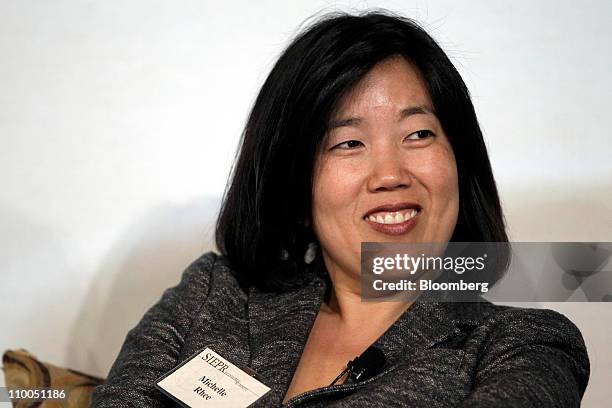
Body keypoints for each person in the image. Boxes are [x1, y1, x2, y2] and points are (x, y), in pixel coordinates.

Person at [91, 11, 589, 407]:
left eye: (418, 134)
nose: (390, 174)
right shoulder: (212, 294)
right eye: (348, 143)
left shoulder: (523, 348)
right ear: (295, 187)